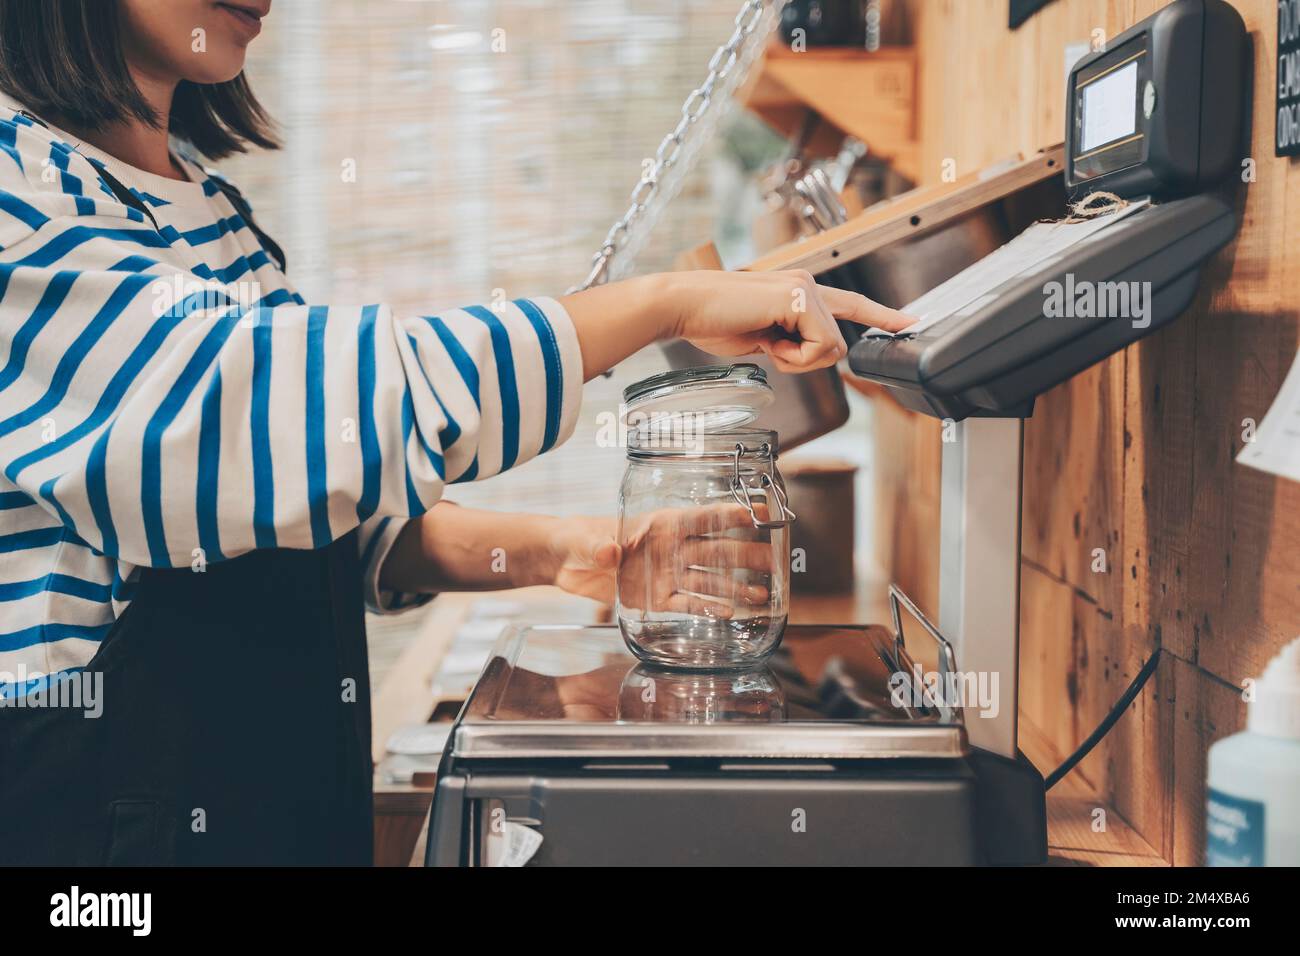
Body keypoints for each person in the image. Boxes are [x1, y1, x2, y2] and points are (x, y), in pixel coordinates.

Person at [0, 0, 911, 865]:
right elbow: (249, 421)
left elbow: (305, 501)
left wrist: (565, 551)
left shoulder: (209, 209)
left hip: (273, 803)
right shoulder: (17, 192)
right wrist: (663, 304)